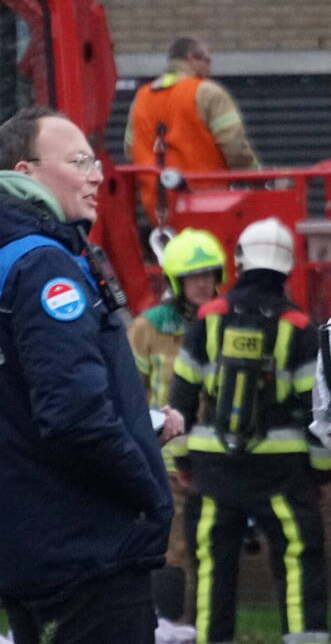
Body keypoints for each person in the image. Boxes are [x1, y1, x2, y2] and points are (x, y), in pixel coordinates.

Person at [0, 106, 172, 644]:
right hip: (88, 557)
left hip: (23, 547)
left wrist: (139, 426)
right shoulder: (43, 267)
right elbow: (74, 416)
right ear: (24, 171)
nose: (97, 174)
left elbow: (15, 405)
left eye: (96, 161)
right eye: (79, 161)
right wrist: (145, 489)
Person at [169, 217, 331, 644]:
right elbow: (315, 409)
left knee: (211, 569)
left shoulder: (207, 318)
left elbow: (180, 403)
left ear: (239, 263)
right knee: (299, 561)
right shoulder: (299, 326)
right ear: (287, 266)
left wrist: (184, 463)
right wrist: (318, 473)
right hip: (283, 474)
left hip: (212, 470)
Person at [127, 226, 227, 624]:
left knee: (215, 549)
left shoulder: (232, 320)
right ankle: (170, 631)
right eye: (193, 276)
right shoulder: (149, 327)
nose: (203, 283)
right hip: (167, 463)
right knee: (173, 552)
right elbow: (129, 394)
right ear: (176, 280)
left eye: (209, 274)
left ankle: (207, 630)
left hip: (219, 459)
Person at [125, 36, 260, 221]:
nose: (209, 68)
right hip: (207, 205)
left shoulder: (141, 98)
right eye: (207, 60)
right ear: (192, 58)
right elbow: (235, 148)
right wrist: (257, 177)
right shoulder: (208, 93)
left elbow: (130, 150)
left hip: (157, 208)